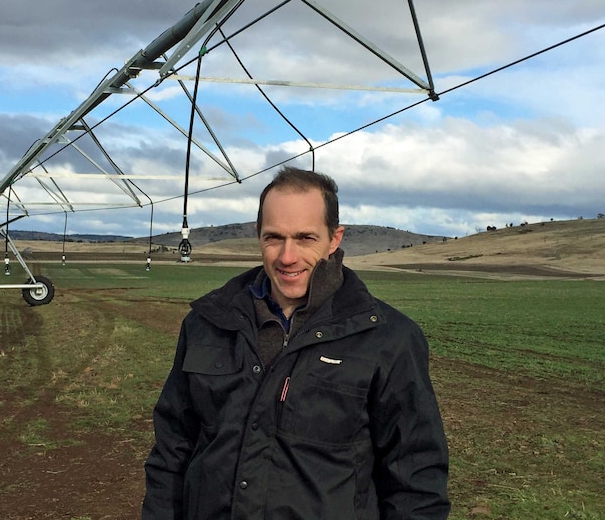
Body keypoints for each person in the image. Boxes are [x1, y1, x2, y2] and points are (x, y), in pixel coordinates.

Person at [142, 167, 450, 519]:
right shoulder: (207, 324)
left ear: (334, 239)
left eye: (305, 238)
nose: (287, 257)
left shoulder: (388, 339)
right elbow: (171, 453)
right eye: (274, 238)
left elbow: (416, 481)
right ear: (258, 235)